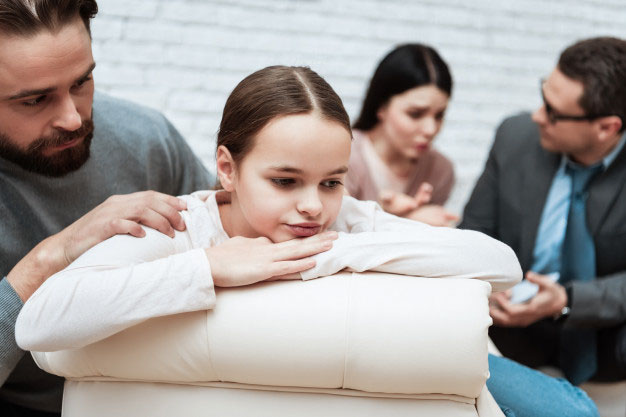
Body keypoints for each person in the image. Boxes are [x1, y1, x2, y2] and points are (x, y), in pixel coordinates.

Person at [16, 65, 597, 417]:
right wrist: (210, 268)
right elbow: (37, 323)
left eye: (332, 182)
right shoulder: (179, 223)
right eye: (285, 181)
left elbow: (502, 263)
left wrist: (338, 253)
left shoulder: (342, 226)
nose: (313, 206)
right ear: (227, 168)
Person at [0, 1, 217, 415]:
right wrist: (51, 258)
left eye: (82, 82)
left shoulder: (147, 137)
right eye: (35, 100)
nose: (72, 118)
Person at [461, 37, 626, 387]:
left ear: (606, 127)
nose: (538, 115)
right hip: (512, 329)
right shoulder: (514, 136)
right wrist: (488, 287)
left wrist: (567, 301)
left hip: (606, 339)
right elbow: (473, 233)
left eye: (553, 112)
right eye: (543, 96)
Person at [347, 44, 459, 226]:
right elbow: (332, 238)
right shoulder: (343, 157)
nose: (431, 129)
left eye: (439, 115)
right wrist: (407, 222)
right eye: (415, 114)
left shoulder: (441, 170)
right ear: (381, 107)